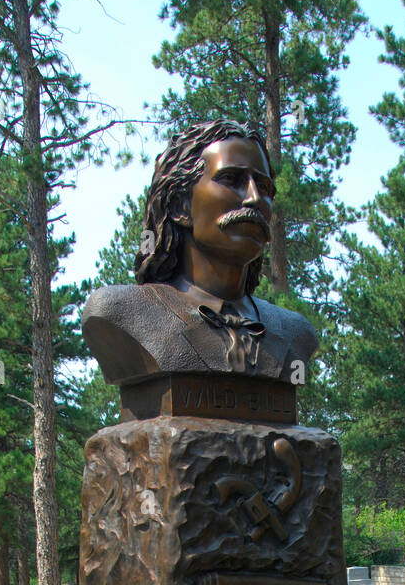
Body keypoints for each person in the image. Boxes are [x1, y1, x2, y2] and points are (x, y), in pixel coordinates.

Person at [82, 119, 317, 387]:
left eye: (264, 188)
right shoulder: (119, 312)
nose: (254, 198)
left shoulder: (294, 331)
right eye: (232, 179)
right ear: (180, 205)